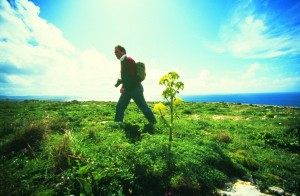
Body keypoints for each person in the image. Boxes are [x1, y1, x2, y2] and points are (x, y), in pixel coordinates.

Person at [114, 45, 157, 124]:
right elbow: (125, 76)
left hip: (135, 89)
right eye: (114, 52)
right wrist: (119, 84)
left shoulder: (129, 60)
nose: (115, 53)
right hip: (128, 90)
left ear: (122, 51)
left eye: (117, 52)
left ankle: (154, 123)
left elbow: (131, 77)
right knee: (120, 107)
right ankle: (117, 125)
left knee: (143, 107)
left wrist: (123, 87)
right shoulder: (123, 61)